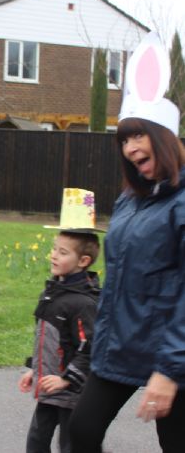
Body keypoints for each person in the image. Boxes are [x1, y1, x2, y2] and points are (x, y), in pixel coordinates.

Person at [69, 32, 185, 453]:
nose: (131, 147)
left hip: (174, 354)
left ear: (166, 136)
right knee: (80, 432)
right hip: (121, 346)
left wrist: (170, 371)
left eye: (139, 135)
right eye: (124, 139)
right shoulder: (131, 199)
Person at [19, 188, 102, 453]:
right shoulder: (53, 291)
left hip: (72, 391)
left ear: (83, 261)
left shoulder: (83, 302)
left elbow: (90, 347)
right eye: (54, 249)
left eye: (63, 252)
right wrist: (36, 368)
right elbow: (48, 339)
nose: (54, 255)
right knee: (36, 441)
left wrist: (66, 379)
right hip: (49, 385)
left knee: (72, 445)